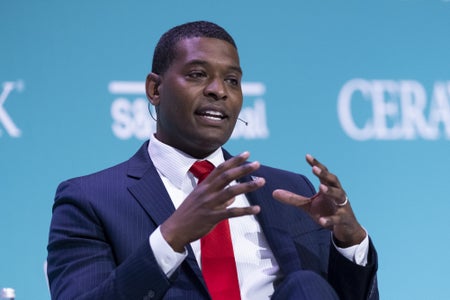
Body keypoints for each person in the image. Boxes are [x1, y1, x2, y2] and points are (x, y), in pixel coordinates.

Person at [47, 21, 378, 299]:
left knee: (306, 284)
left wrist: (350, 240)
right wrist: (170, 237)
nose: (219, 90)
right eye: (196, 74)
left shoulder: (290, 190)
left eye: (232, 80)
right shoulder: (90, 199)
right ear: (155, 89)